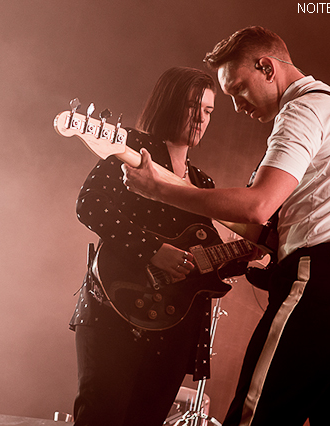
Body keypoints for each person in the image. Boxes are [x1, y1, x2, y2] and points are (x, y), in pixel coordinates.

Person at [122, 26, 330, 426]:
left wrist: (161, 193)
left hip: (322, 286)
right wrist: (178, 183)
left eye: (238, 90)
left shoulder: (301, 110)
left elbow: (258, 206)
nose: (236, 107)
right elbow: (274, 225)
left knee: (254, 418)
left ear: (267, 67)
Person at [70, 66, 231, 426]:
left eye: (208, 111)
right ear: (170, 103)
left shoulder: (203, 182)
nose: (200, 119)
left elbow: (210, 259)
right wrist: (153, 250)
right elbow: (90, 203)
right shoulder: (130, 147)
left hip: (174, 325)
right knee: (101, 416)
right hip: (113, 310)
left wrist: (254, 253)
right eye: (193, 106)